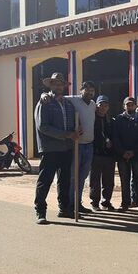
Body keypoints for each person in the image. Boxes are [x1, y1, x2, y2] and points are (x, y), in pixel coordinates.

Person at [41, 81, 97, 214]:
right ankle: (70, 205)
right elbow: (54, 96)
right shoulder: (73, 100)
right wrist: (43, 94)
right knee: (72, 177)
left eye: (92, 91)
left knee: (82, 178)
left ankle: (78, 203)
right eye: (87, 90)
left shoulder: (93, 104)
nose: (89, 93)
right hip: (76, 145)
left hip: (89, 146)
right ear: (81, 90)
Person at [33, 72, 79, 224]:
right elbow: (43, 127)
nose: (58, 86)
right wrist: (66, 134)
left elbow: (74, 122)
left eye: (61, 83)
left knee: (64, 180)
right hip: (50, 149)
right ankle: (40, 211)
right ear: (50, 85)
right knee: (45, 180)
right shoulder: (45, 103)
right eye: (55, 83)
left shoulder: (68, 105)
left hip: (67, 148)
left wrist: (76, 132)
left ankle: (64, 208)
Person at [113, 96, 138, 212]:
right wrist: (123, 152)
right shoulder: (118, 119)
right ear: (124, 106)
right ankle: (125, 203)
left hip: (137, 155)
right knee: (124, 180)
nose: (130, 106)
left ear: (135, 106)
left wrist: (133, 151)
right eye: (127, 104)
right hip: (122, 156)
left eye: (132, 104)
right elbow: (116, 138)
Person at [89, 95, 116, 211]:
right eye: (101, 105)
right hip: (95, 154)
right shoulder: (91, 119)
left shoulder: (111, 120)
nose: (103, 108)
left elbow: (115, 136)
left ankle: (106, 202)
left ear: (108, 107)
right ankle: (95, 202)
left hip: (109, 155)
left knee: (109, 181)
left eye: (105, 105)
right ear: (97, 106)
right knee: (95, 180)